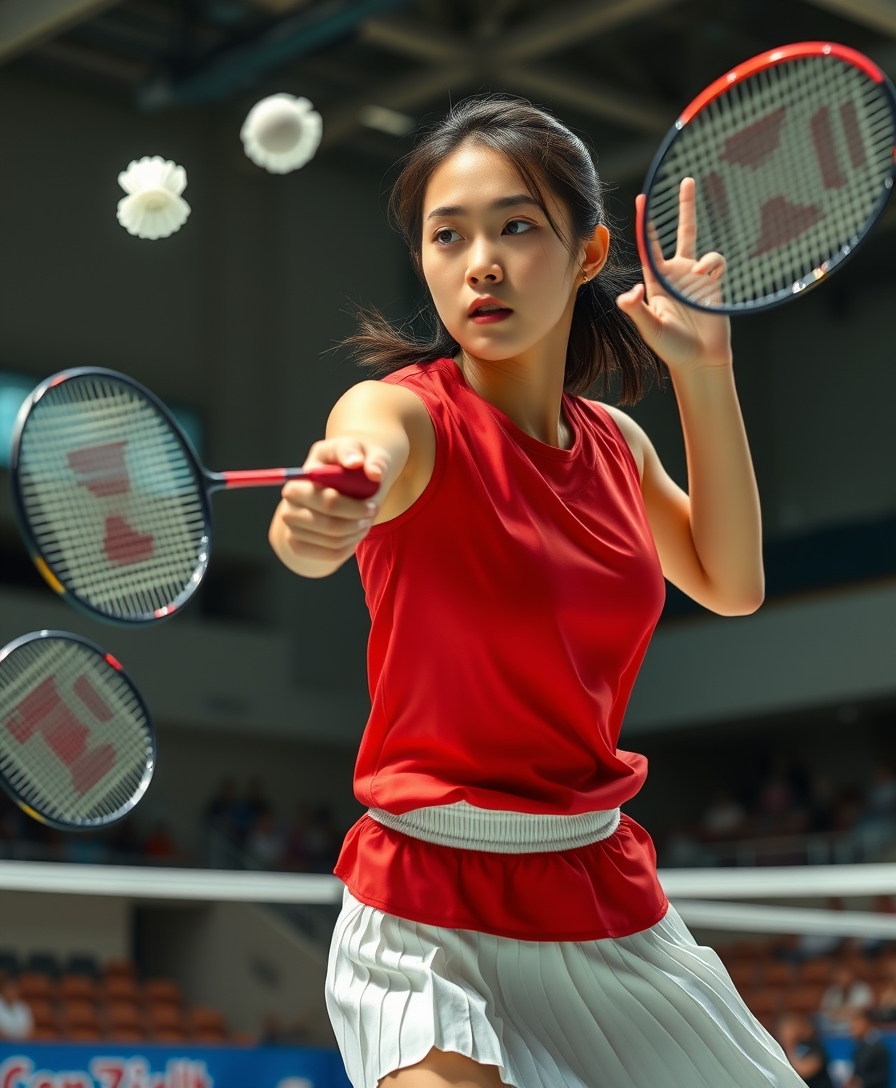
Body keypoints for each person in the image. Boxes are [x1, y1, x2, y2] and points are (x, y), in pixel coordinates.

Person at [269, 96, 799, 1088]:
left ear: (589, 250)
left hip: (599, 892)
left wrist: (705, 366)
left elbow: (730, 582)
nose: (480, 261)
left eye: (515, 226)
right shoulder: (402, 413)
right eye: (447, 234)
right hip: (424, 904)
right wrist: (320, 514)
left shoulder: (615, 445)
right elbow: (349, 470)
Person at [777, 1014, 833, 1088]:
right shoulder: (778, 1050)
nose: (785, 1033)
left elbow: (804, 1070)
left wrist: (789, 1045)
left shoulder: (813, 1046)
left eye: (789, 1028)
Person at [847, 1010, 890, 1088]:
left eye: (856, 1024)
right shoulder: (859, 1047)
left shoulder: (878, 1048)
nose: (852, 1028)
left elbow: (882, 1076)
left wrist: (861, 1082)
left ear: (868, 1023)